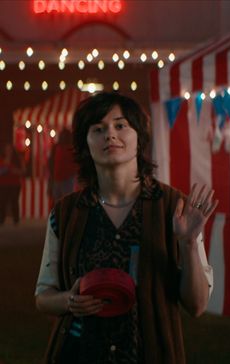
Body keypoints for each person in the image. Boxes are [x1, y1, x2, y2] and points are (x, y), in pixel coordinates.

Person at [35, 92, 218, 364]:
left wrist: (188, 243)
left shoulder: (174, 208)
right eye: (98, 129)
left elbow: (197, 305)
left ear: (139, 137)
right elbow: (43, 296)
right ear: (86, 144)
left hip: (149, 352)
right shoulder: (66, 213)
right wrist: (69, 301)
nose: (110, 134)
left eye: (120, 125)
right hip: (79, 353)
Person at [48, 127, 76, 204]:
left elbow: (50, 162)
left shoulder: (57, 147)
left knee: (58, 202)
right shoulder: (71, 148)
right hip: (66, 178)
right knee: (66, 203)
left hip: (59, 178)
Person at [0, 143, 25, 225]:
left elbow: (23, 171)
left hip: (15, 184)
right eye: (7, 149)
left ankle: (16, 220)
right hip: (3, 184)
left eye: (10, 149)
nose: (8, 151)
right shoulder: (1, 159)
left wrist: (15, 171)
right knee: (3, 201)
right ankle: (1, 219)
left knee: (14, 201)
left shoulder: (17, 159)